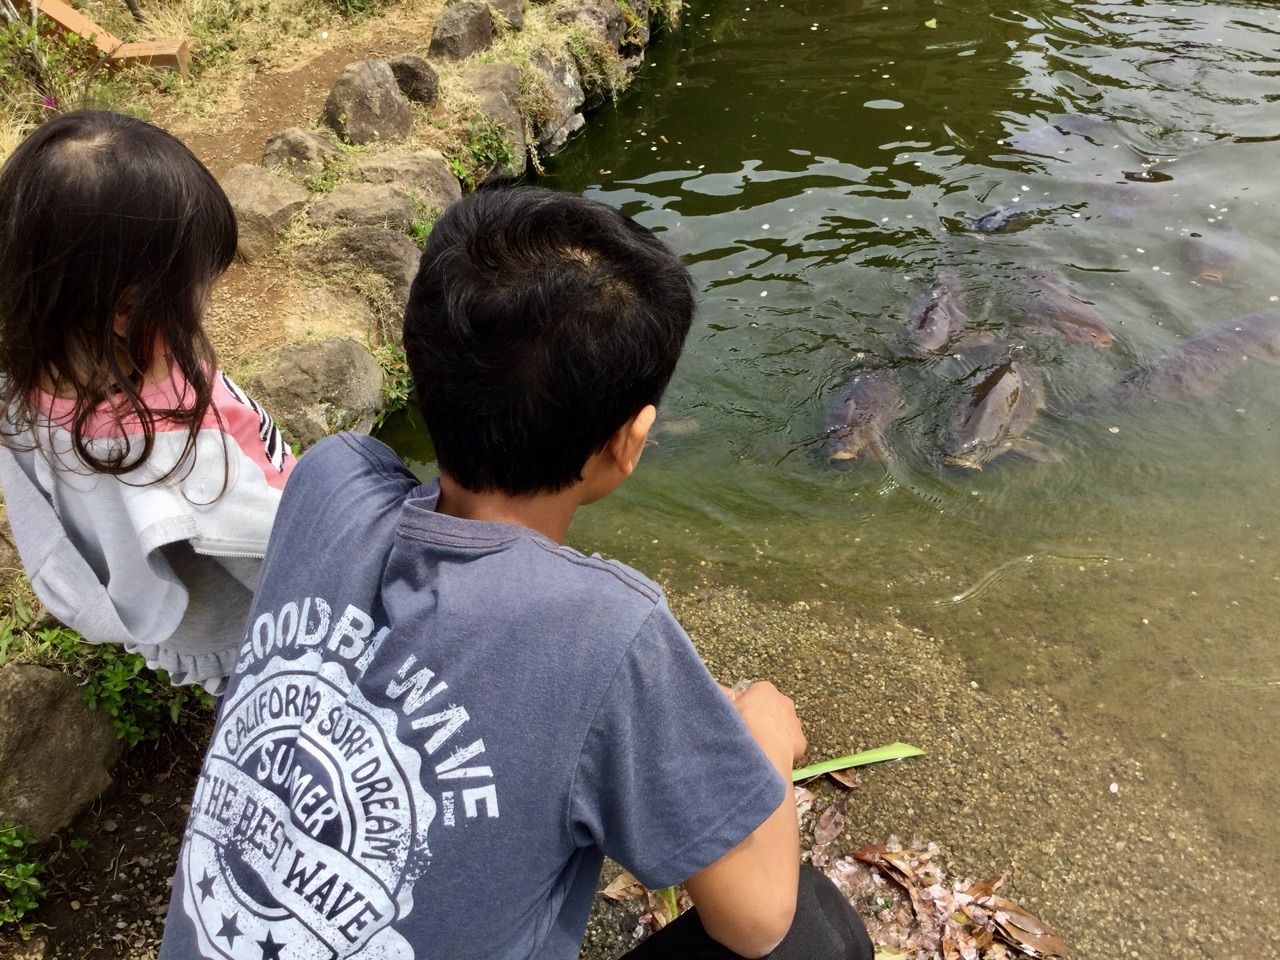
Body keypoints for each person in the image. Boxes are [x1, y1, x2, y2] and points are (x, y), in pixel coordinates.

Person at [158, 187, 873, 959]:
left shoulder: (329, 480)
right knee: (813, 932)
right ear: (631, 442)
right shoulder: (603, 628)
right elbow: (757, 916)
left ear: (417, 363)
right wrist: (763, 735)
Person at [0, 111, 294, 693]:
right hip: (247, 627)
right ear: (127, 311)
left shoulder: (20, 388)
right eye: (197, 286)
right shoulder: (177, 452)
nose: (203, 303)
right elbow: (277, 554)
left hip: (179, 618)